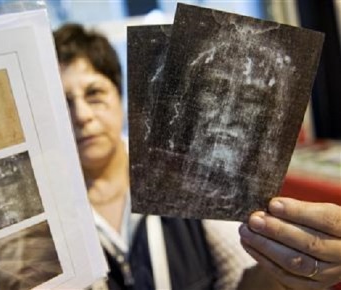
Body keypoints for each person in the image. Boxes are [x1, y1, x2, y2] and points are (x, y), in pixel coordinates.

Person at [53, 23, 341, 290]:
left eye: (94, 94)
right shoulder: (47, 215)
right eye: (63, 102)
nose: (82, 116)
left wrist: (286, 270)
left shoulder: (186, 174)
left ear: (120, 98)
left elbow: (244, 280)